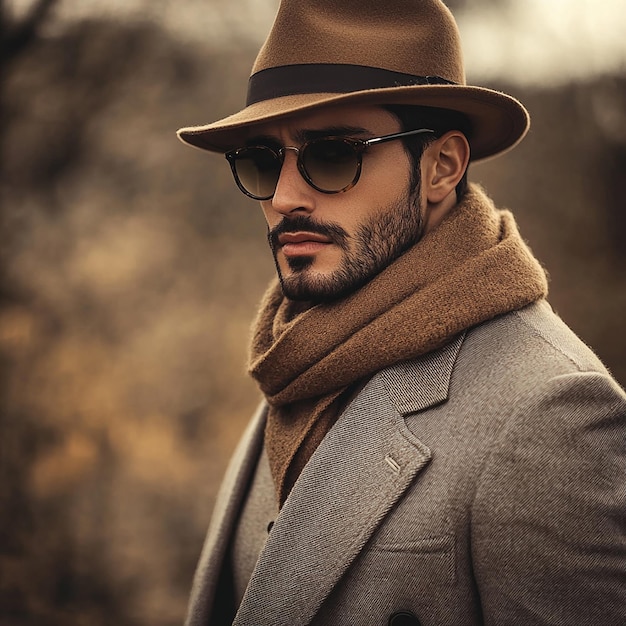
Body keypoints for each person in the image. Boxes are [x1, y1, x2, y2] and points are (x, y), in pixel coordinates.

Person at [176, 1, 626, 624]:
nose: (282, 196)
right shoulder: (300, 359)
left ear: (441, 167)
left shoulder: (550, 412)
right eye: (260, 159)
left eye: (332, 155)